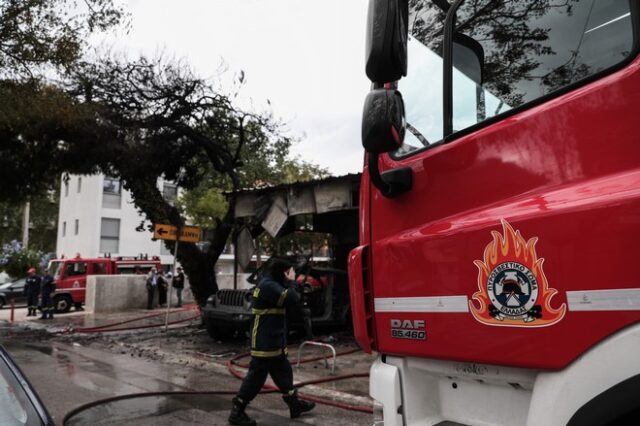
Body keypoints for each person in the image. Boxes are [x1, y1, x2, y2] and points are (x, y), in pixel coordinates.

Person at [229, 260, 315, 426]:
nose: (292, 274)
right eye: (290, 271)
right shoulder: (268, 285)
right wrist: (292, 281)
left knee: (283, 370)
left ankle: (294, 404)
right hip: (264, 339)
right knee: (257, 376)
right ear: (283, 272)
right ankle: (237, 410)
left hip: (275, 338)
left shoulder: (272, 283)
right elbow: (291, 298)